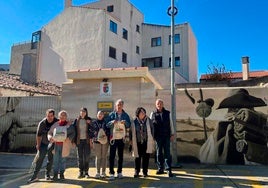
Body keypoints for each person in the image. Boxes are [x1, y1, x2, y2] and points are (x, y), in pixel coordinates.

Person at [28, 109, 58, 183]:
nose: (50, 117)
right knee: (40, 159)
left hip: (53, 143)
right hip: (43, 143)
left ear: (54, 116)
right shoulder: (42, 123)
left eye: (51, 116)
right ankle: (34, 176)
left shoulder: (57, 122)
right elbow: (38, 135)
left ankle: (47, 175)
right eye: (48, 116)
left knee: (50, 159)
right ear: (46, 115)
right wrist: (38, 145)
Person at [106, 99, 131, 180]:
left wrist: (125, 123)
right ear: (115, 106)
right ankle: (111, 173)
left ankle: (119, 172)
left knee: (120, 156)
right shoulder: (111, 115)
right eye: (118, 105)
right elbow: (107, 124)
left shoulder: (125, 115)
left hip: (121, 138)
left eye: (120, 104)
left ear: (122, 106)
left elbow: (129, 125)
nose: (119, 106)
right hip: (113, 138)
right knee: (112, 156)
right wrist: (112, 122)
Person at [150, 99, 175, 177]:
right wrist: (152, 136)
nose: (159, 105)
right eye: (158, 104)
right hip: (158, 137)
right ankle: (160, 168)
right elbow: (151, 126)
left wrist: (172, 134)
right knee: (159, 153)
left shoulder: (168, 113)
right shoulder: (153, 114)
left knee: (167, 153)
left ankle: (168, 169)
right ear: (156, 105)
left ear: (163, 105)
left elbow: (171, 124)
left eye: (160, 103)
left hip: (166, 136)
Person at [129, 107, 154, 178]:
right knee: (137, 157)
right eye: (141, 112)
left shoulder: (148, 120)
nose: (143, 114)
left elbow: (152, 129)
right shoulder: (134, 121)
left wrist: (152, 138)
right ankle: (137, 171)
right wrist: (130, 140)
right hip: (137, 142)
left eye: (144, 112)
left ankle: (145, 172)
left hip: (146, 141)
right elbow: (131, 132)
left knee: (146, 157)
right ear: (138, 113)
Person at [47, 110, 72, 181]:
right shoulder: (55, 124)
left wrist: (69, 138)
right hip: (56, 145)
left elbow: (73, 133)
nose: (63, 116)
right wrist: (50, 137)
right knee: (56, 160)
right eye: (61, 115)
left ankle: (61, 174)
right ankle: (55, 175)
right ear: (59, 116)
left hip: (64, 145)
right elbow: (49, 132)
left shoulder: (69, 125)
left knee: (63, 160)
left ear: (66, 117)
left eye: (64, 115)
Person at [73, 107, 92, 179]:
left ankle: (86, 172)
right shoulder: (77, 120)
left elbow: (93, 129)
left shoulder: (89, 119)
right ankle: (81, 172)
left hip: (86, 141)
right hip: (79, 141)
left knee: (87, 157)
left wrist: (90, 123)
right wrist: (73, 141)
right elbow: (74, 131)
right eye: (81, 111)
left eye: (84, 111)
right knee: (80, 157)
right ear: (80, 112)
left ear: (86, 112)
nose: (83, 113)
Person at [90, 110, 110, 178]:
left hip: (105, 142)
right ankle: (98, 172)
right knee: (98, 157)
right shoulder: (93, 122)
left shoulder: (106, 122)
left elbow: (108, 130)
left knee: (104, 157)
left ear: (103, 115)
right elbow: (91, 132)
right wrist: (92, 140)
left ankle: (103, 172)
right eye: (99, 114)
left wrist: (106, 134)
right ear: (97, 115)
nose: (100, 115)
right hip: (96, 142)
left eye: (101, 114)